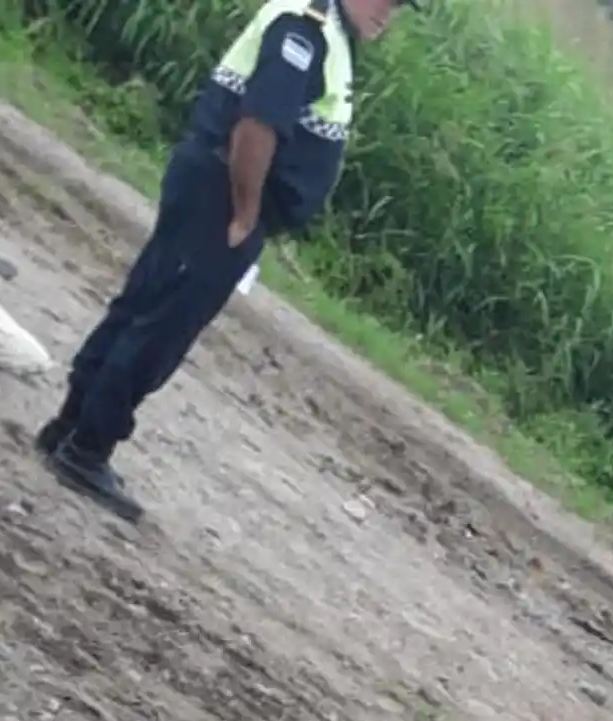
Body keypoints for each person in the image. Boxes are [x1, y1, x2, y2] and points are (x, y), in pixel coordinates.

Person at [34, 0, 417, 522]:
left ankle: (68, 429)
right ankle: (87, 448)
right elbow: (257, 126)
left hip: (212, 188)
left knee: (144, 303)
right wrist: (245, 212)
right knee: (160, 327)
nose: (391, 13)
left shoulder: (327, 34)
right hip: (223, 195)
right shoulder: (305, 30)